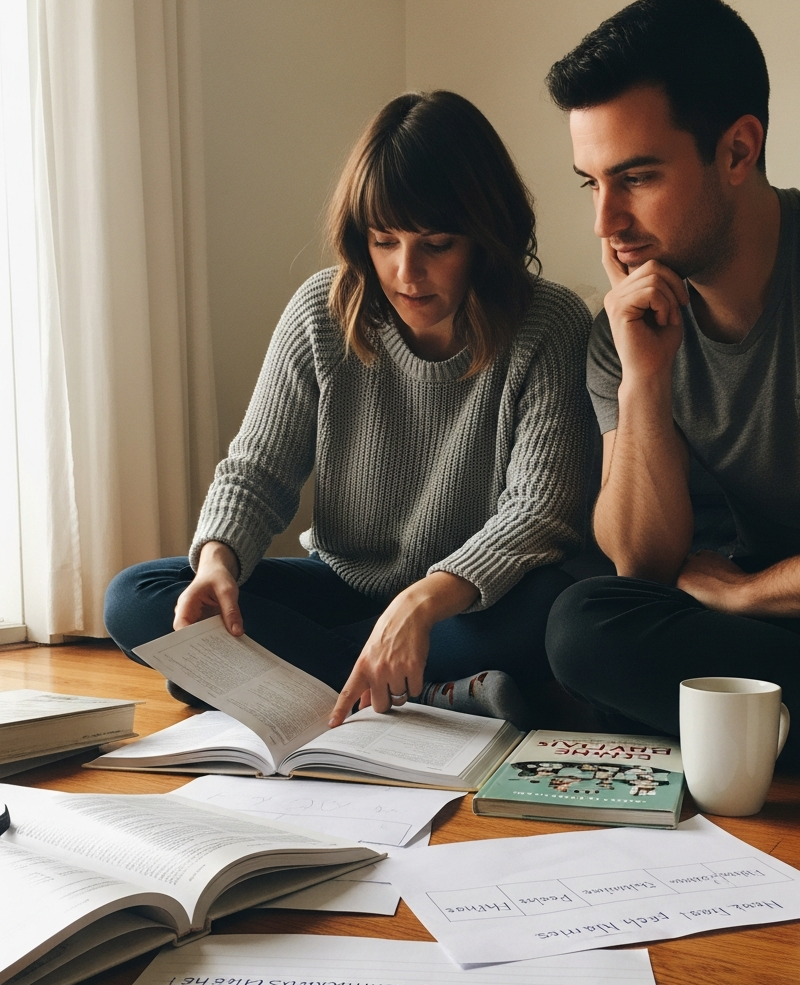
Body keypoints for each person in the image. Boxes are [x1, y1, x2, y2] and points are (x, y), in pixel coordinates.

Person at [105, 90, 592, 729]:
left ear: (486, 236)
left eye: (437, 244)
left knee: (555, 609)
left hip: (462, 605)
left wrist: (420, 604)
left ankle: (264, 681)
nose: (406, 271)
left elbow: (539, 512)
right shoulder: (322, 310)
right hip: (341, 588)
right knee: (135, 597)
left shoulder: (551, 324)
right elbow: (257, 472)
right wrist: (218, 560)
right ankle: (428, 691)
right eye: (384, 241)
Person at [543, 0, 800, 770]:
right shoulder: (626, 326)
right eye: (591, 183)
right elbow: (641, 564)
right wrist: (644, 380)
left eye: (636, 177)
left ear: (738, 151)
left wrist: (754, 592)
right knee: (583, 625)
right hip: (784, 639)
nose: (605, 223)